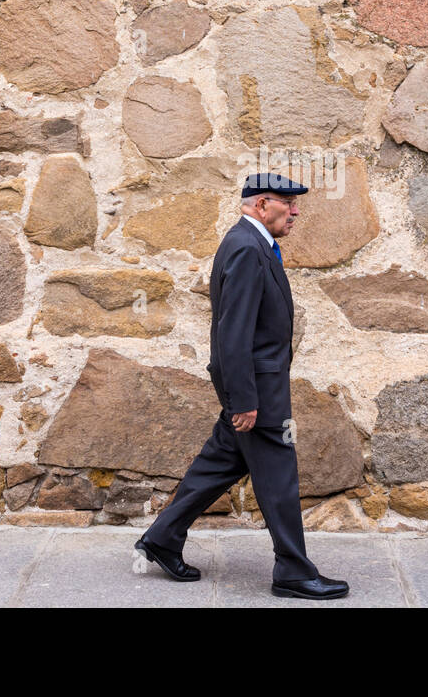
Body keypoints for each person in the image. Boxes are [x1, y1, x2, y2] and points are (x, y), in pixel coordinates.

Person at [134, 172, 349, 600]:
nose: (296, 211)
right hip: (259, 390)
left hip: (255, 384)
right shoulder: (248, 248)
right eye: (288, 203)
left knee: (222, 462)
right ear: (262, 204)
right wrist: (244, 400)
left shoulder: (251, 244)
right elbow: (233, 332)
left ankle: (161, 538)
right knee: (279, 477)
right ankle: (292, 570)